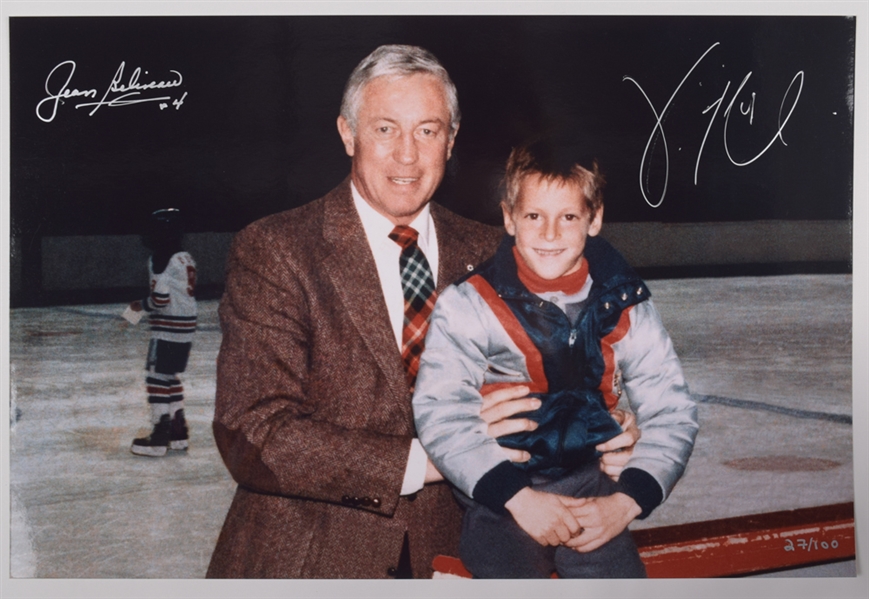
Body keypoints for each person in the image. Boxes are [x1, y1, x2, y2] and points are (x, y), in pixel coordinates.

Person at [207, 45, 638, 579]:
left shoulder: (499, 255)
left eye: (428, 130)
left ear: (451, 141)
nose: (407, 155)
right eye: (386, 129)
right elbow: (255, 431)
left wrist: (606, 425)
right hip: (312, 560)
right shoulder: (278, 249)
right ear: (348, 133)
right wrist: (435, 458)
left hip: (464, 556)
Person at [412, 137, 699, 578]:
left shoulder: (623, 301)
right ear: (509, 218)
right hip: (502, 490)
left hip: (590, 486)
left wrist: (626, 501)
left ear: (595, 219)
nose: (550, 234)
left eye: (568, 217)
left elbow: (671, 409)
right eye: (533, 216)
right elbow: (441, 410)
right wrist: (515, 498)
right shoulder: (471, 303)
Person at [128, 208, 197, 457]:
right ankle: (178, 431)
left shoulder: (160, 258)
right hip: (187, 324)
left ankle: (159, 435)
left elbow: (160, 298)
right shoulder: (185, 256)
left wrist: (139, 307)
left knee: (156, 377)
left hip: (168, 326)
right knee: (170, 376)